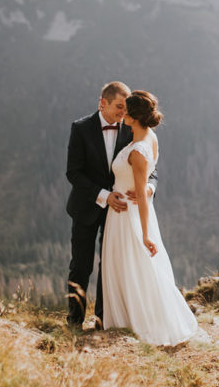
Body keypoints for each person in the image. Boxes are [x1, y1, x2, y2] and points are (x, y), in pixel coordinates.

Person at [100, 90, 198, 346]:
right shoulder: (149, 137)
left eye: (126, 111)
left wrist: (144, 234)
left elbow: (142, 196)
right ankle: (129, 320)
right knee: (130, 267)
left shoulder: (138, 151)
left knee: (134, 267)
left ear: (133, 117)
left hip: (127, 217)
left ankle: (137, 323)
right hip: (120, 212)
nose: (122, 115)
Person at [65, 81, 157, 329]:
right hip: (87, 206)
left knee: (112, 267)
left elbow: (150, 168)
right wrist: (105, 195)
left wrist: (149, 189)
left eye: (125, 107)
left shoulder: (131, 127)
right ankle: (74, 320)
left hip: (121, 214)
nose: (123, 112)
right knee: (81, 265)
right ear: (102, 103)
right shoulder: (81, 128)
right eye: (119, 106)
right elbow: (73, 172)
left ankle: (104, 320)